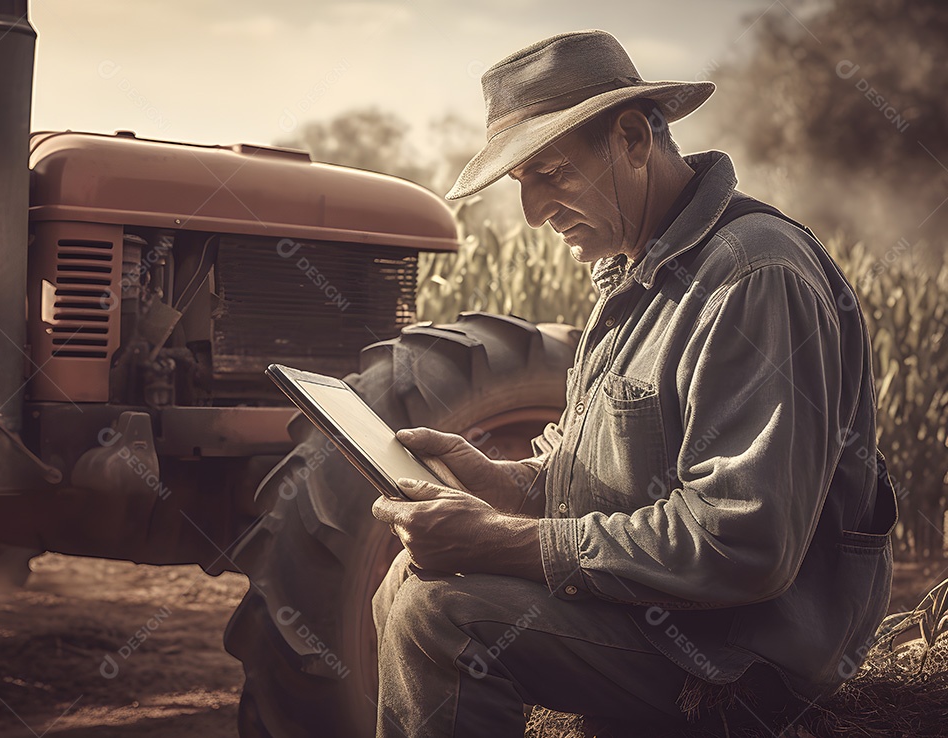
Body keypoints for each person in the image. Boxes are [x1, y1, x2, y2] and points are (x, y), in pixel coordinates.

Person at [370, 30, 897, 737]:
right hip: (671, 620)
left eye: (550, 174)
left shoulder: (753, 278)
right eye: (522, 184)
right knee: (401, 583)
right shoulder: (635, 276)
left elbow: (743, 545)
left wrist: (496, 541)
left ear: (633, 139)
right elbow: (593, 473)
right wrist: (499, 483)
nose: (532, 214)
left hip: (741, 656)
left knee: (439, 614)